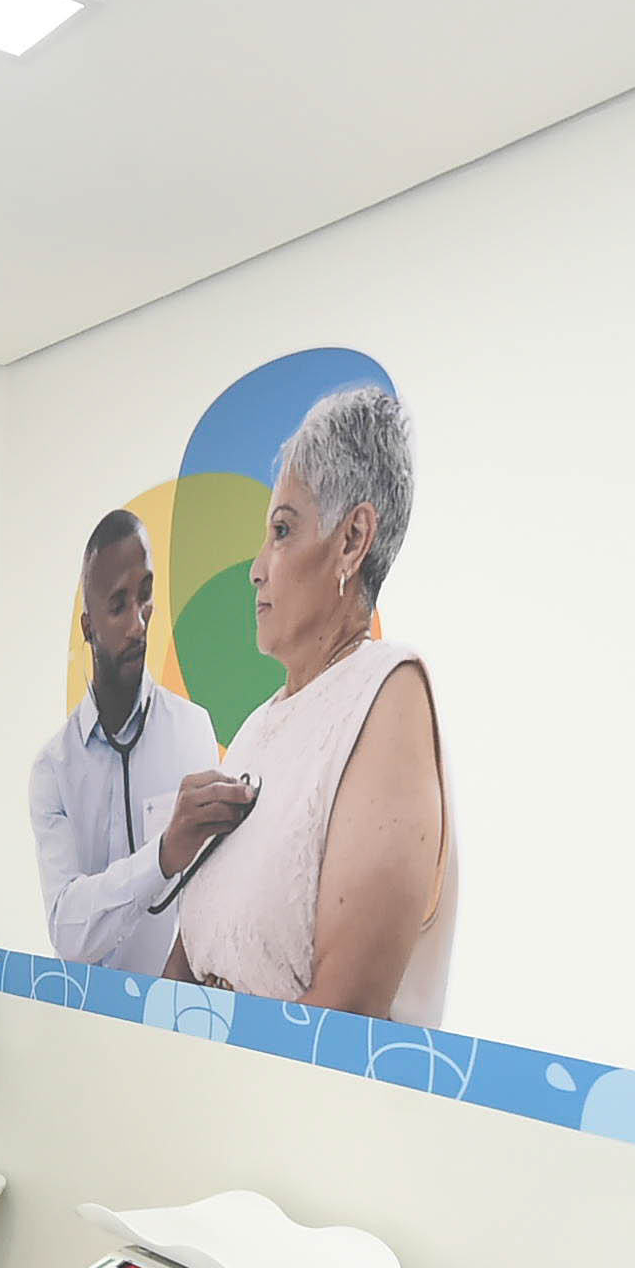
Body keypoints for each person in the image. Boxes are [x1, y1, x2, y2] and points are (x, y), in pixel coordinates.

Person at [166, 386, 453, 1022]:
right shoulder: (258, 728)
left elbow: (341, 1018)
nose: (256, 569)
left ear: (352, 539)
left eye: (282, 531)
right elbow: (186, 966)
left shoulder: (389, 694)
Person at [27, 507, 222, 972]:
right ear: (88, 627)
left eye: (145, 596)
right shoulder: (53, 769)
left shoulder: (193, 732)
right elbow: (67, 930)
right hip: (79, 1010)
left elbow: (206, 902)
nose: (138, 624)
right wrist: (163, 855)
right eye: (117, 606)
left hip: (170, 1008)